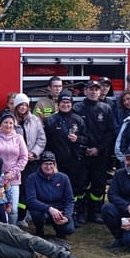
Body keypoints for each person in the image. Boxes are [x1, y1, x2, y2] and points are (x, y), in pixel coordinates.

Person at [44, 91, 88, 223]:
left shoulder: (78, 120)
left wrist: (78, 138)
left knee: (76, 189)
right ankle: (57, 213)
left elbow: (87, 139)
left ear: (72, 104)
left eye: (68, 102)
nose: (66, 104)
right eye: (63, 102)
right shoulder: (51, 120)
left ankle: (75, 213)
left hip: (75, 161)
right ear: (58, 104)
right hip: (57, 162)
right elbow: (46, 142)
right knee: (57, 188)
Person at [79, 80, 117, 224]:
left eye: (96, 89)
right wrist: (84, 148)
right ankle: (81, 212)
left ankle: (95, 212)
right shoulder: (78, 108)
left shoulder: (106, 109)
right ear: (85, 91)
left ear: (100, 92)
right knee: (81, 183)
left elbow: (110, 133)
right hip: (82, 154)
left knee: (98, 184)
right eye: (91, 89)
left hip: (100, 155)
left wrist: (98, 149)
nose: (94, 92)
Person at [12, 92, 46, 226]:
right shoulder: (11, 121)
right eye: (20, 105)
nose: (23, 107)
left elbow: (41, 139)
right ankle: (20, 217)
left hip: (32, 161)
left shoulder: (35, 120)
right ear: (16, 106)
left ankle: (29, 214)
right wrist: (21, 156)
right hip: (17, 162)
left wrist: (34, 153)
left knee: (30, 188)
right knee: (19, 190)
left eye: (25, 105)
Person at [25, 151, 76, 239]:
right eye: (45, 164)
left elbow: (70, 200)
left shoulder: (63, 178)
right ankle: (39, 231)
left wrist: (67, 216)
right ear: (40, 164)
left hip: (60, 210)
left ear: (55, 164)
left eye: (51, 164)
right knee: (36, 213)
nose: (48, 167)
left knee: (69, 229)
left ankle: (59, 230)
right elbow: (31, 200)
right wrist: (49, 209)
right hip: (42, 210)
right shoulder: (32, 178)